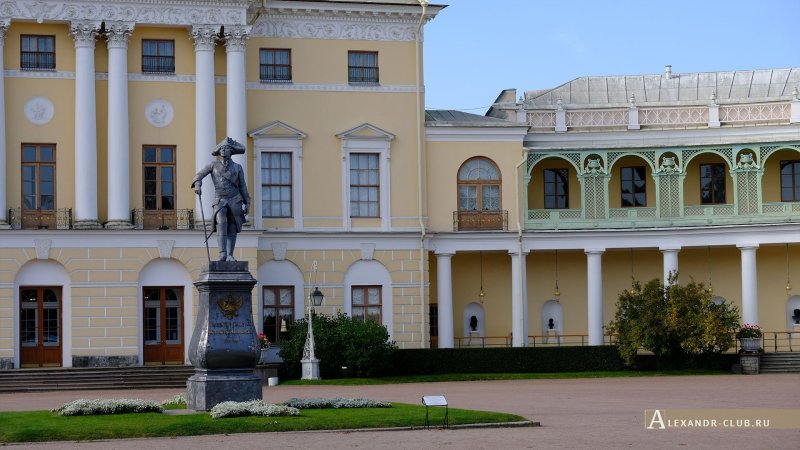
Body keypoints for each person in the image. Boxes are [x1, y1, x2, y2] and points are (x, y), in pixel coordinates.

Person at [191, 137, 250, 261]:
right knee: (221, 223)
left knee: (232, 227)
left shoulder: (238, 167)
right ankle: (222, 253)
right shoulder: (213, 165)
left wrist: (247, 202)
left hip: (235, 199)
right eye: (222, 149)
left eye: (226, 148)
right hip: (220, 199)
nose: (223, 151)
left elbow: (243, 186)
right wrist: (197, 184)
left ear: (231, 152)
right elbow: (199, 175)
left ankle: (230, 255)